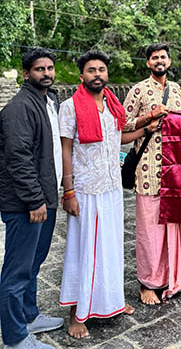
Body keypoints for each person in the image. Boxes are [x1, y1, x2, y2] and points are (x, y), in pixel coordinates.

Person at [59, 50, 137, 338]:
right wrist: (68, 191)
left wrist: (145, 128)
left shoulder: (113, 106)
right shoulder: (70, 106)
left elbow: (119, 139)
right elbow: (65, 149)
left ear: (107, 75)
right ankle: (76, 314)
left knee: (112, 247)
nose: (97, 74)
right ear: (82, 76)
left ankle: (112, 301)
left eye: (101, 69)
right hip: (85, 188)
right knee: (83, 250)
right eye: (91, 70)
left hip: (112, 187)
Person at [123, 43, 181, 304]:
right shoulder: (138, 90)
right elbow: (121, 125)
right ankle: (148, 283)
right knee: (150, 230)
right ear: (148, 63)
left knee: (179, 225)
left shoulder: (178, 90)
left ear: (169, 60)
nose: (159, 61)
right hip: (148, 169)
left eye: (163, 57)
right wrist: (148, 119)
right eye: (154, 57)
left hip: (176, 169)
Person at [0, 48, 63, 349]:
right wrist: (34, 200)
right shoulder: (19, 108)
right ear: (26, 74)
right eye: (39, 69)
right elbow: (18, 158)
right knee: (16, 271)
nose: (47, 73)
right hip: (26, 203)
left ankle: (29, 316)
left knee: (33, 264)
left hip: (45, 198)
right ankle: (15, 337)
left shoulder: (48, 102)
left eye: (50, 68)